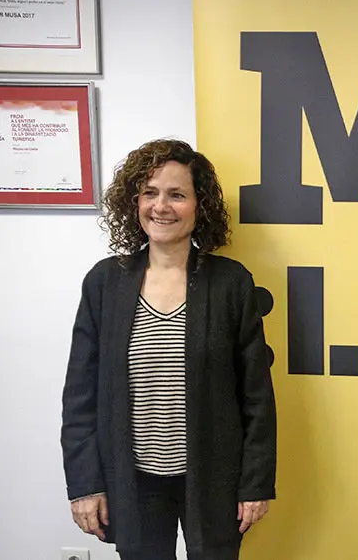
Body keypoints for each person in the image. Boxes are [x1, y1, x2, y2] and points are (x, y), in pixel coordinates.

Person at [61, 139, 277, 560]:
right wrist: (85, 484)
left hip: (214, 479)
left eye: (177, 194)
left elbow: (257, 396)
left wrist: (255, 483)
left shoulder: (231, 284)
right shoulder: (105, 283)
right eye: (150, 193)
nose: (161, 206)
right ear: (134, 202)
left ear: (199, 206)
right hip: (132, 480)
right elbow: (80, 395)